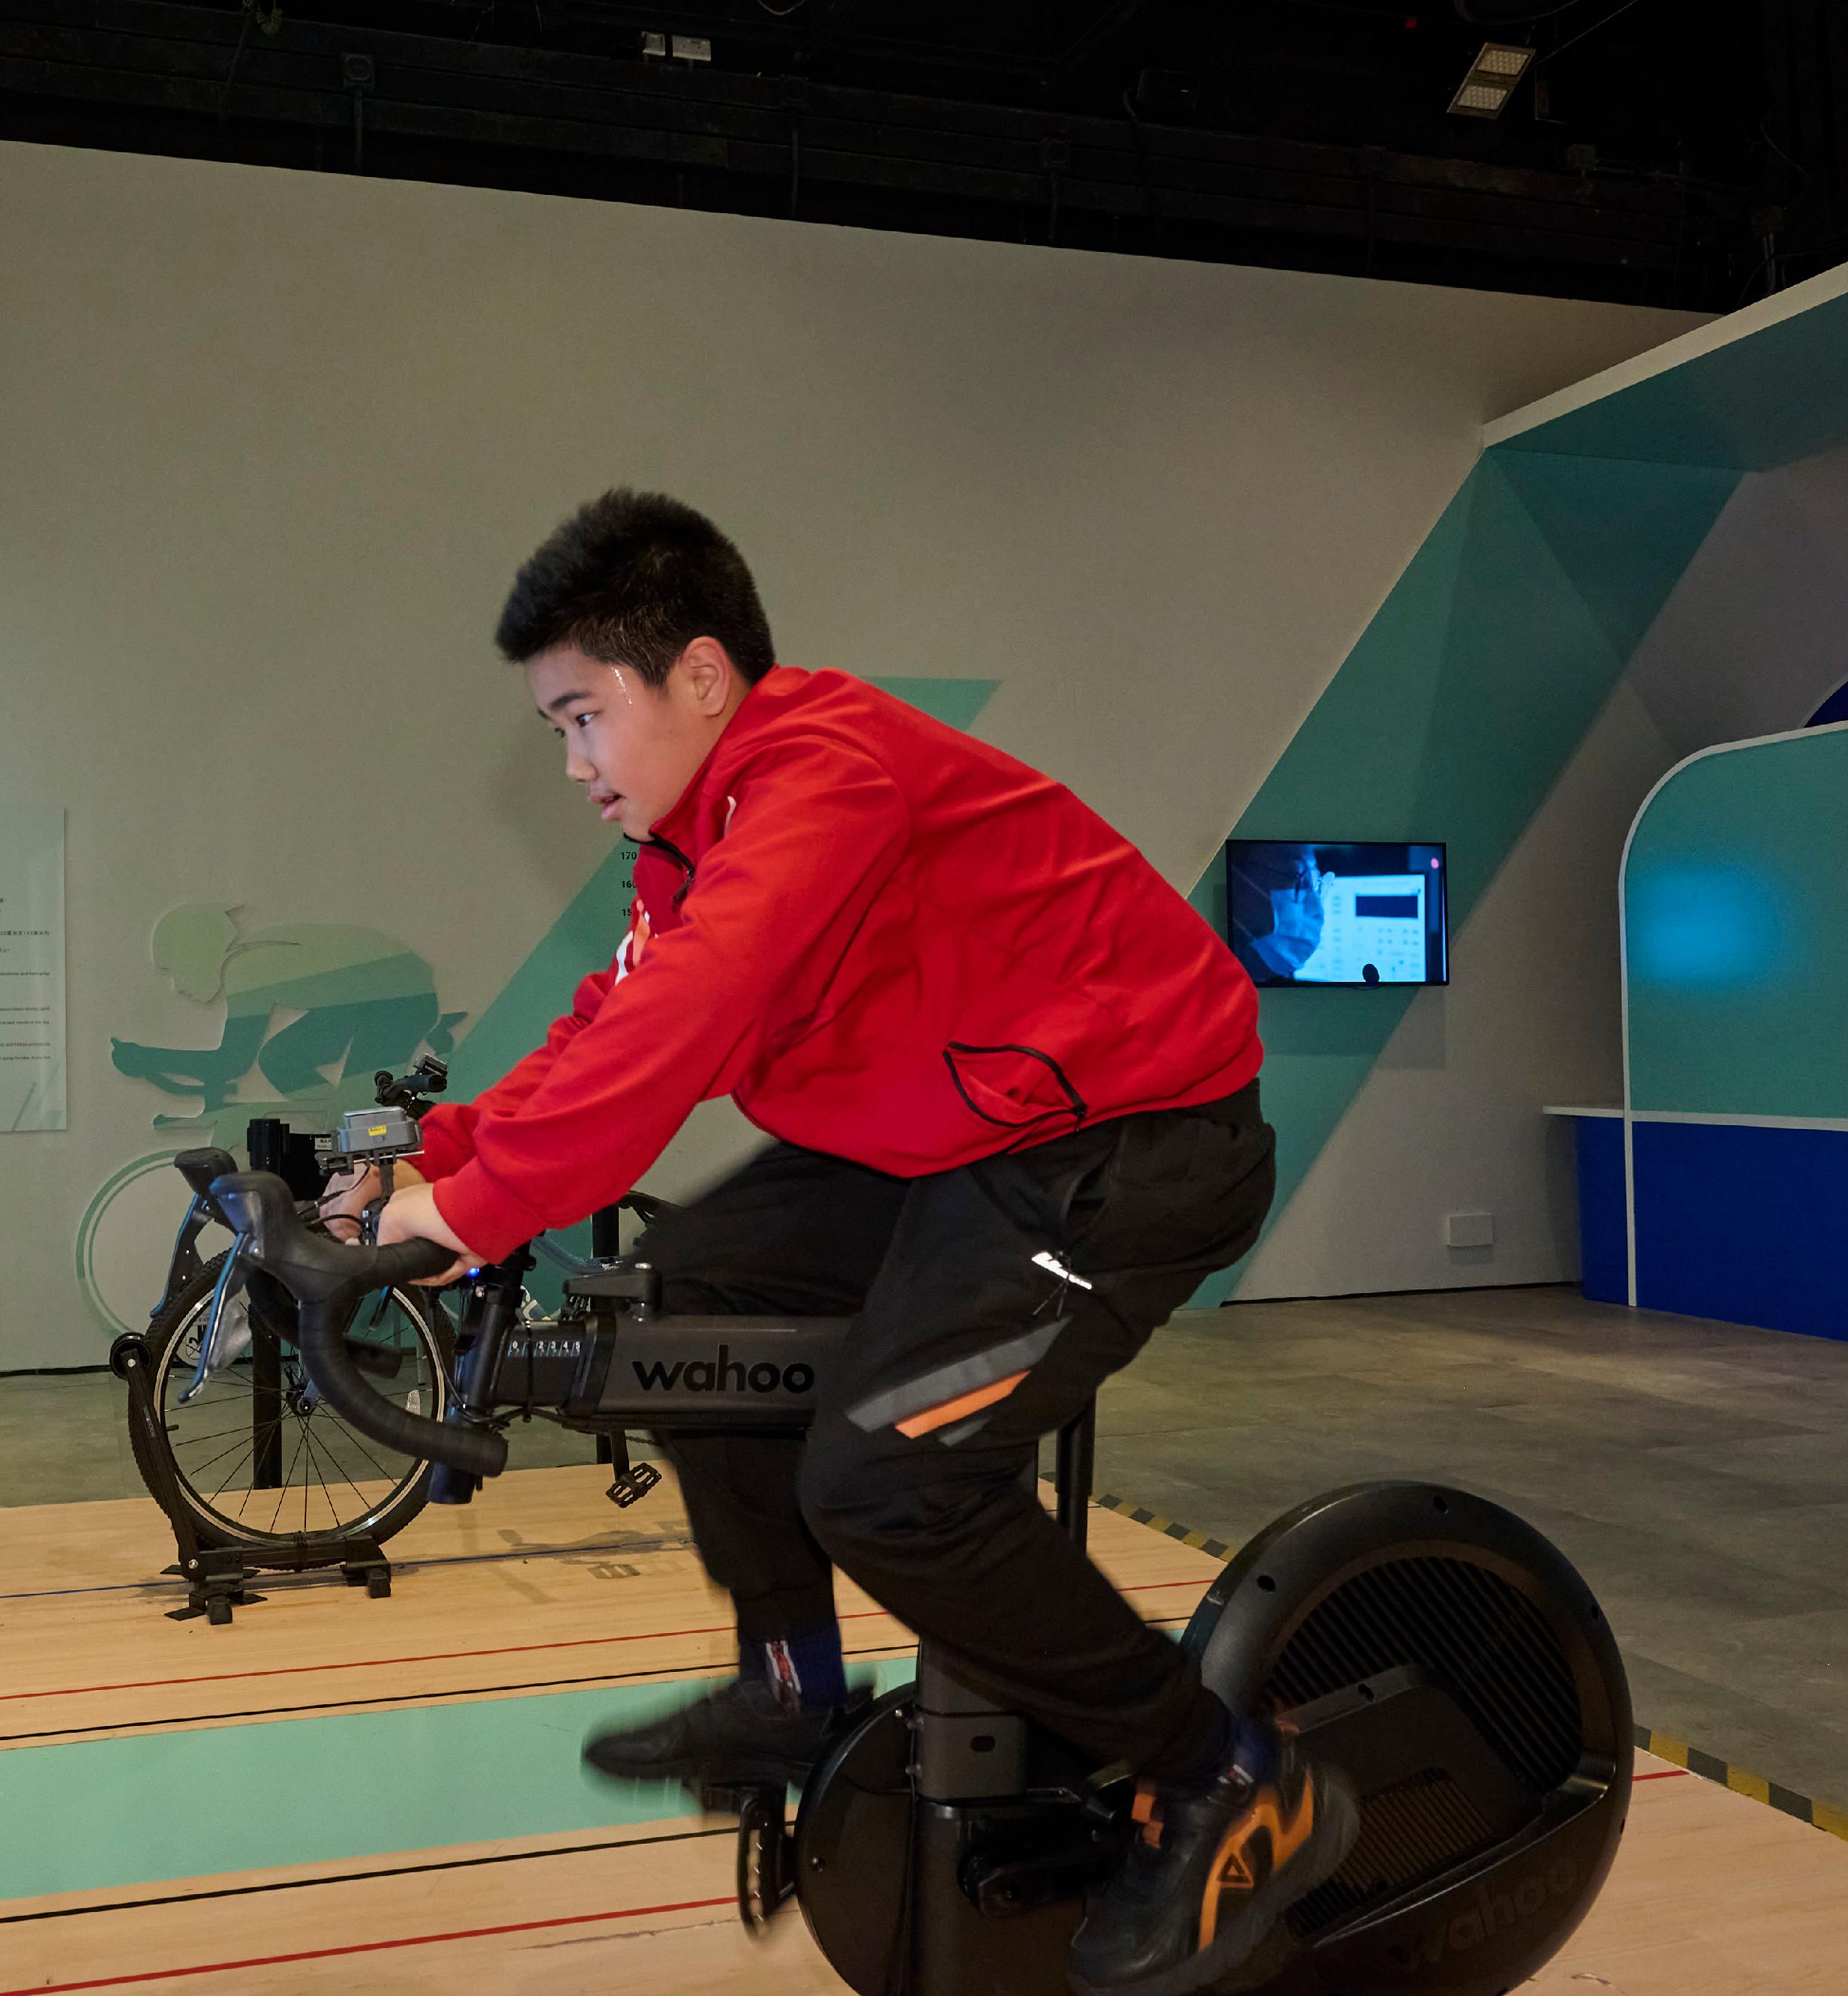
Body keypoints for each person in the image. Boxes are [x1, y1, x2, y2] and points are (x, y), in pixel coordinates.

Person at [343, 490, 1357, 1994]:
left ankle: (1226, 1769)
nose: (568, 764)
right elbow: (613, 1023)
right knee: (687, 1290)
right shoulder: (691, 842)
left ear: (696, 677)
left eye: (578, 716)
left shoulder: (823, 771)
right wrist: (430, 1162)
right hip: (960, 1141)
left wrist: (470, 1214)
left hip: (1127, 1148)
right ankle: (789, 1683)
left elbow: (685, 1022)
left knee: (886, 1482)